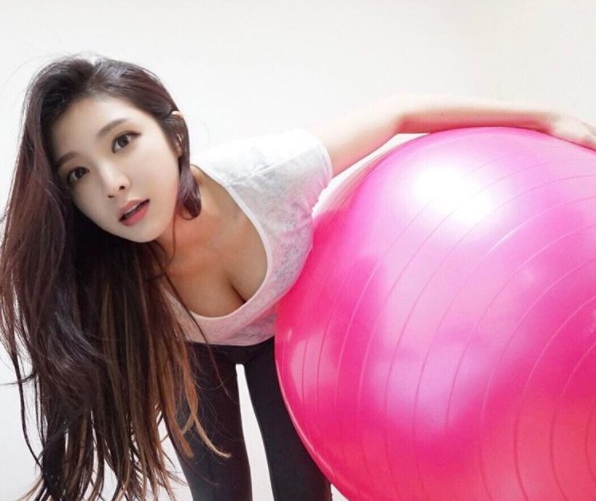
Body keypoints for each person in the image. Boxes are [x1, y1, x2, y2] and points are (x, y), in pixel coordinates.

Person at [1, 54, 595, 501]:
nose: (111, 183)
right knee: (219, 494)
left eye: (124, 141)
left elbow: (398, 113)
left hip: (287, 338)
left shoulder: (271, 176)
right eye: (77, 174)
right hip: (188, 350)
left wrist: (548, 117)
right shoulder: (104, 270)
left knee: (302, 491)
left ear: (174, 134)